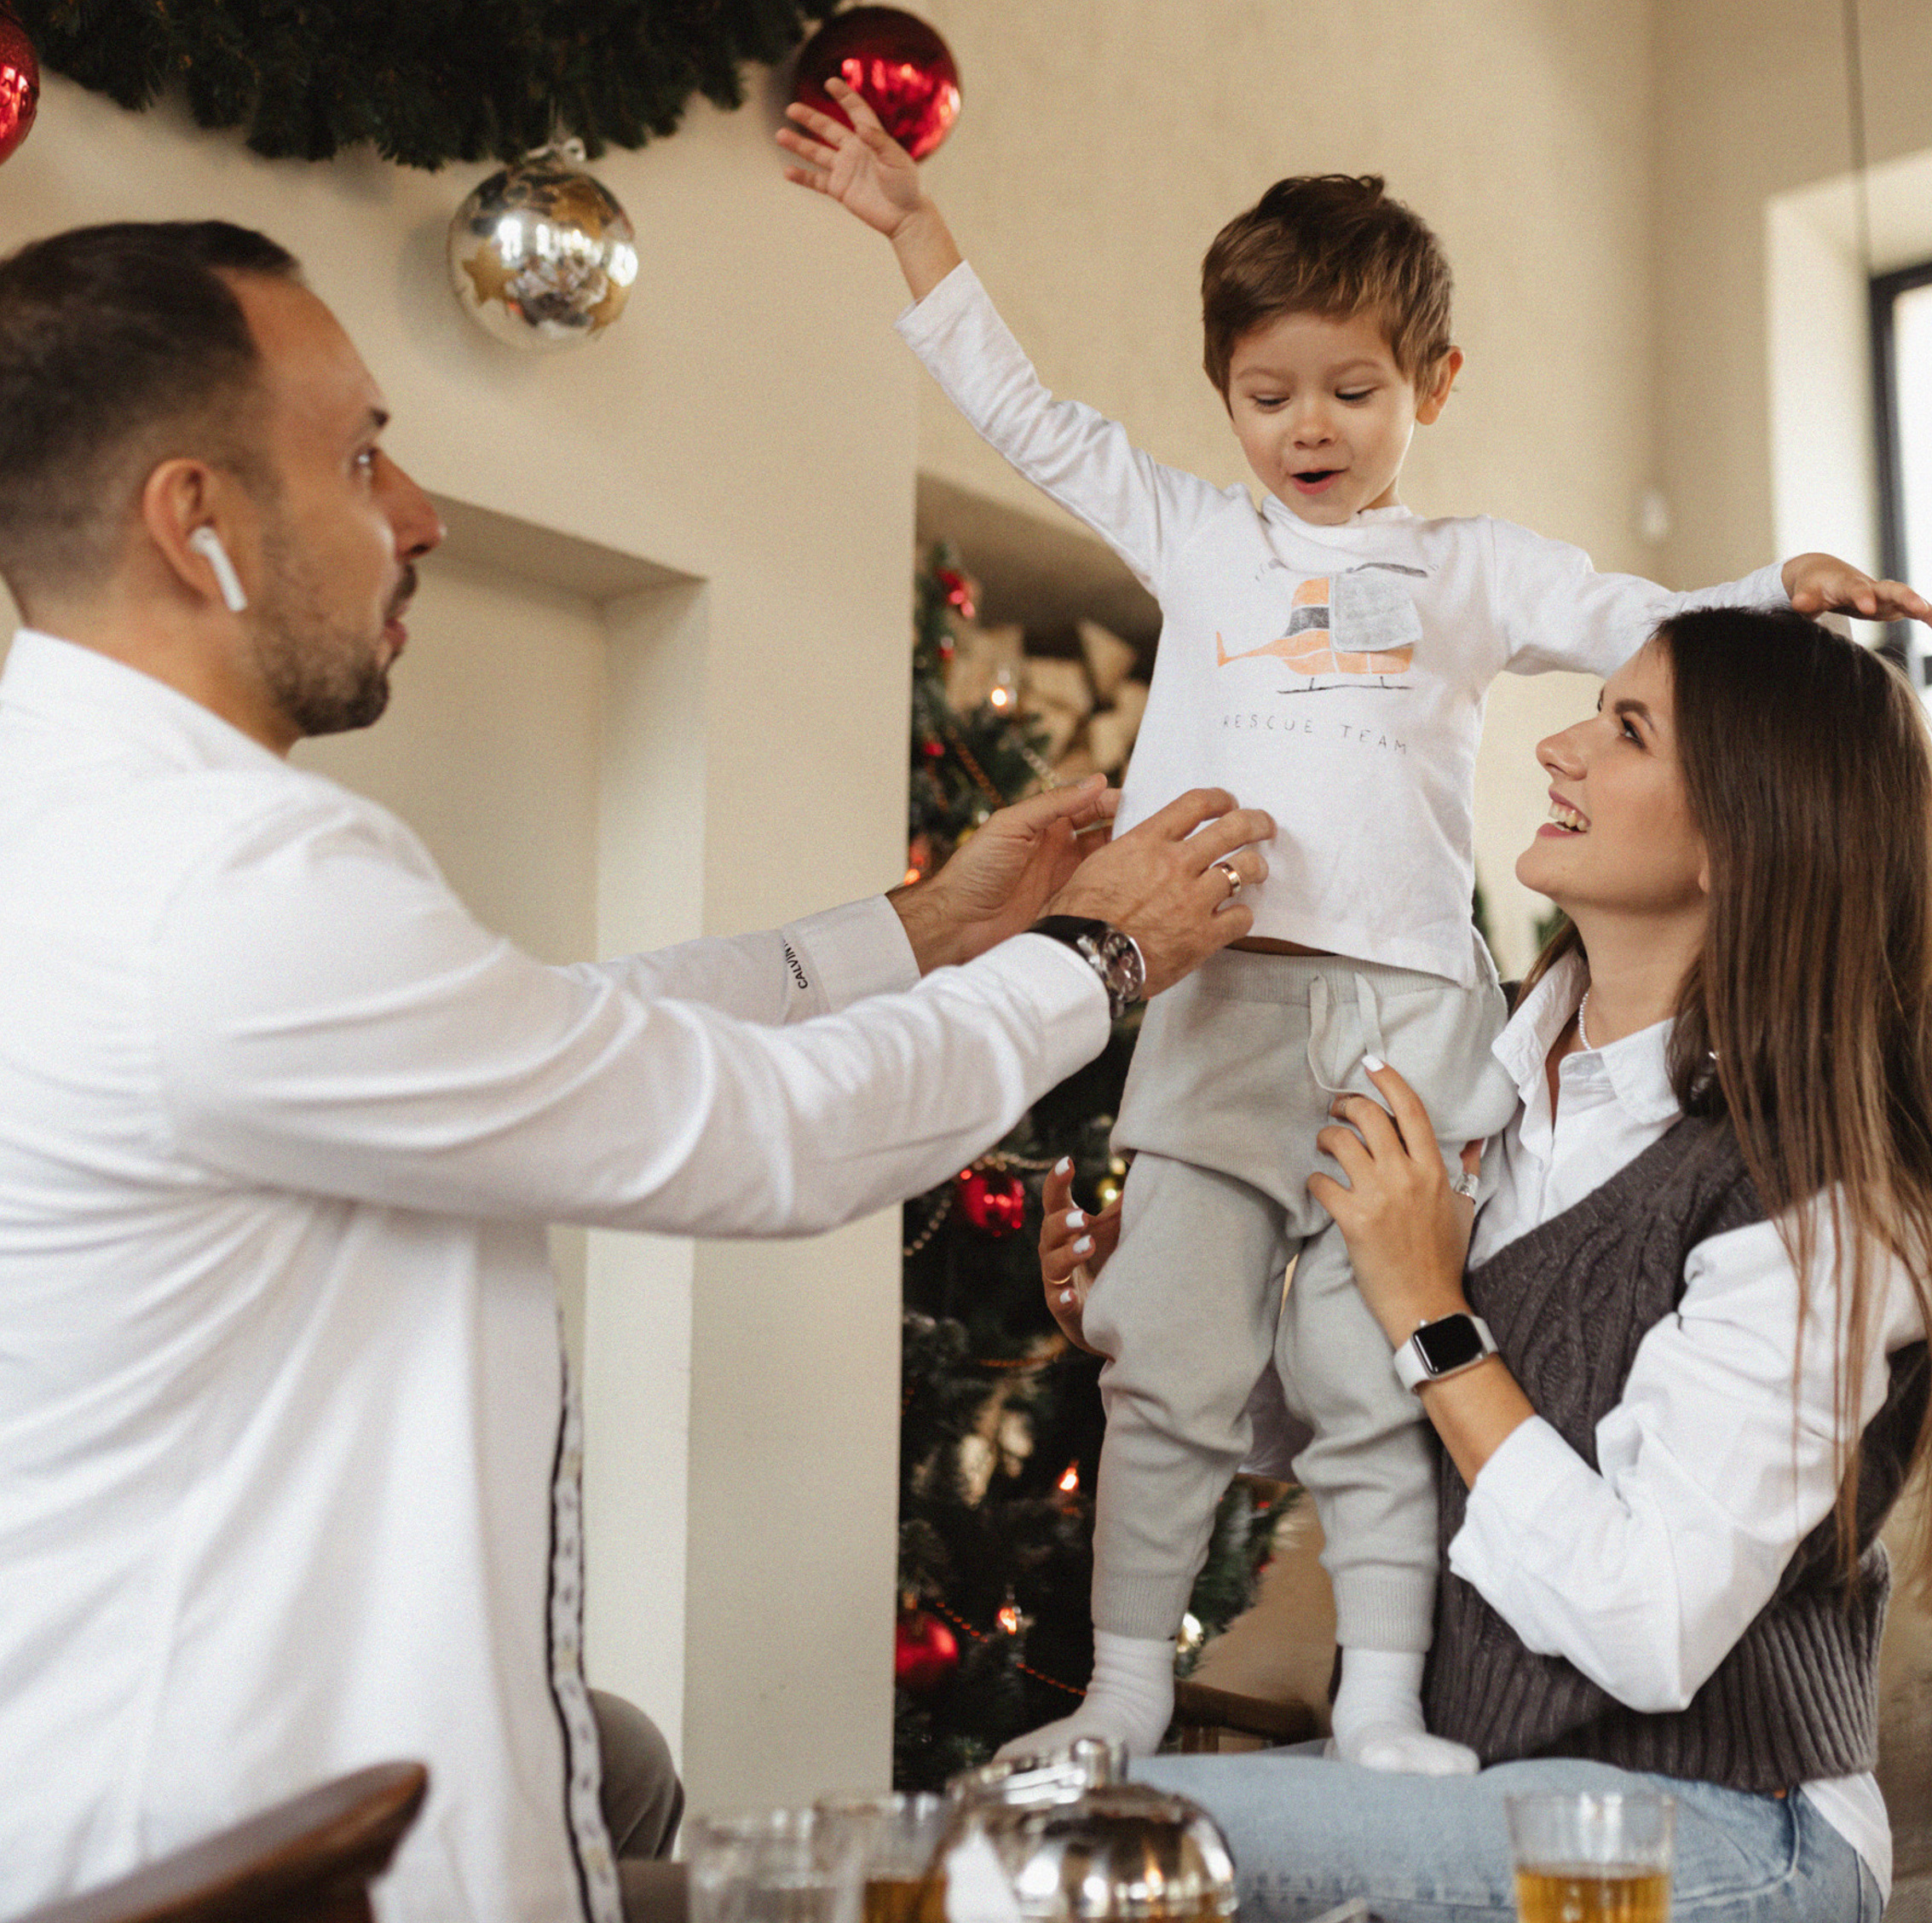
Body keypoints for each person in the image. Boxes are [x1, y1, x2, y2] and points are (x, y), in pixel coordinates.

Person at [0, 220, 1277, 1923]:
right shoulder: (222, 883)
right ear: (196, 521)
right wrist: (1097, 960)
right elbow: (758, 1137)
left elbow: (557, 1029)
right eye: (363, 453)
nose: (419, 512)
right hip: (258, 1868)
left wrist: (925, 926)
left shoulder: (93, 841)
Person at [781, 85, 1932, 1772]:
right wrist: (912, 226)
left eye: (1352, 389)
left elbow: (1642, 625)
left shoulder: (1464, 566)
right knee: (1165, 1349)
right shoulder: (1200, 534)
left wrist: (1780, 589)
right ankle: (1121, 1687)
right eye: (1266, 394)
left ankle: (1385, 1698)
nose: (1307, 426)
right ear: (1221, 396)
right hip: (1219, 981)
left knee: (1367, 1364)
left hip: (1407, 1002)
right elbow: (1028, 417)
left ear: (1434, 388)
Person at [1041, 606, 1932, 1923]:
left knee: (1080, 1866)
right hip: (1472, 1780)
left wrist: (1431, 1311)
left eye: (1625, 731)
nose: (1559, 747)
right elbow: (1349, 1403)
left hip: (1731, 1829)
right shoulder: (1474, 1069)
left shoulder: (1835, 1205)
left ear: (1743, 836)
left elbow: (1652, 1622)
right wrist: (1157, 1319)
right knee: (1024, 1832)